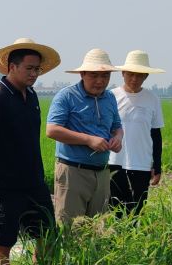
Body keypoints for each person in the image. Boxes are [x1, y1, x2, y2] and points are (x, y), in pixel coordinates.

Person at [0, 38, 61, 265]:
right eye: (29, 68)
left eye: (37, 69)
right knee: (3, 243)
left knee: (48, 236)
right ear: (12, 67)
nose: (34, 74)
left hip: (34, 182)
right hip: (5, 186)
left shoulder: (31, 96)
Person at [46, 49, 124, 225]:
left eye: (105, 76)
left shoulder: (110, 97)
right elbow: (52, 130)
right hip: (73, 172)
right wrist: (88, 139)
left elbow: (117, 126)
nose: (100, 81)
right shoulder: (67, 96)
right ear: (82, 74)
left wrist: (118, 138)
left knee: (98, 229)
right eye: (94, 75)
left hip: (102, 173)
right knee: (70, 229)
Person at [108, 50, 165, 216]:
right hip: (114, 161)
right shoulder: (111, 96)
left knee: (138, 211)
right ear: (123, 73)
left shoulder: (152, 99)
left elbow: (156, 134)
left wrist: (157, 165)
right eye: (130, 74)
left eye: (139, 75)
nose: (134, 79)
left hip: (141, 163)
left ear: (146, 76)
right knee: (115, 209)